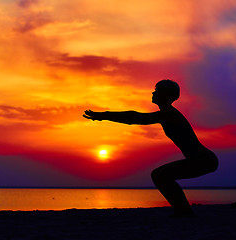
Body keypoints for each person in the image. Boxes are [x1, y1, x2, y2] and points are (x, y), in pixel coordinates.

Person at [83, 79, 218, 217]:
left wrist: (104, 115)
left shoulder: (169, 113)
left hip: (203, 160)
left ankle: (184, 212)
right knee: (158, 175)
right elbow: (135, 117)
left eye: (157, 90)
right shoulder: (166, 114)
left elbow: (135, 117)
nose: (153, 92)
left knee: (162, 176)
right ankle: (183, 210)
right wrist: (104, 116)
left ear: (167, 95)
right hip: (202, 159)